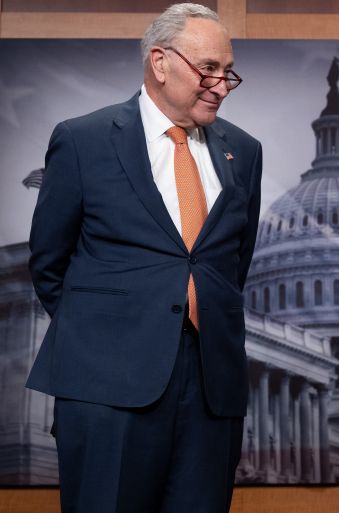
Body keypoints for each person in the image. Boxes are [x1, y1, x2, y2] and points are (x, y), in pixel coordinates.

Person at [26, 4, 261, 512]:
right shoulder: (82, 140)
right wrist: (105, 334)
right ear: (160, 62)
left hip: (210, 394)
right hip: (106, 388)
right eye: (209, 70)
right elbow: (48, 263)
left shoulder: (244, 151)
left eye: (228, 73)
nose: (221, 85)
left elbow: (231, 267)